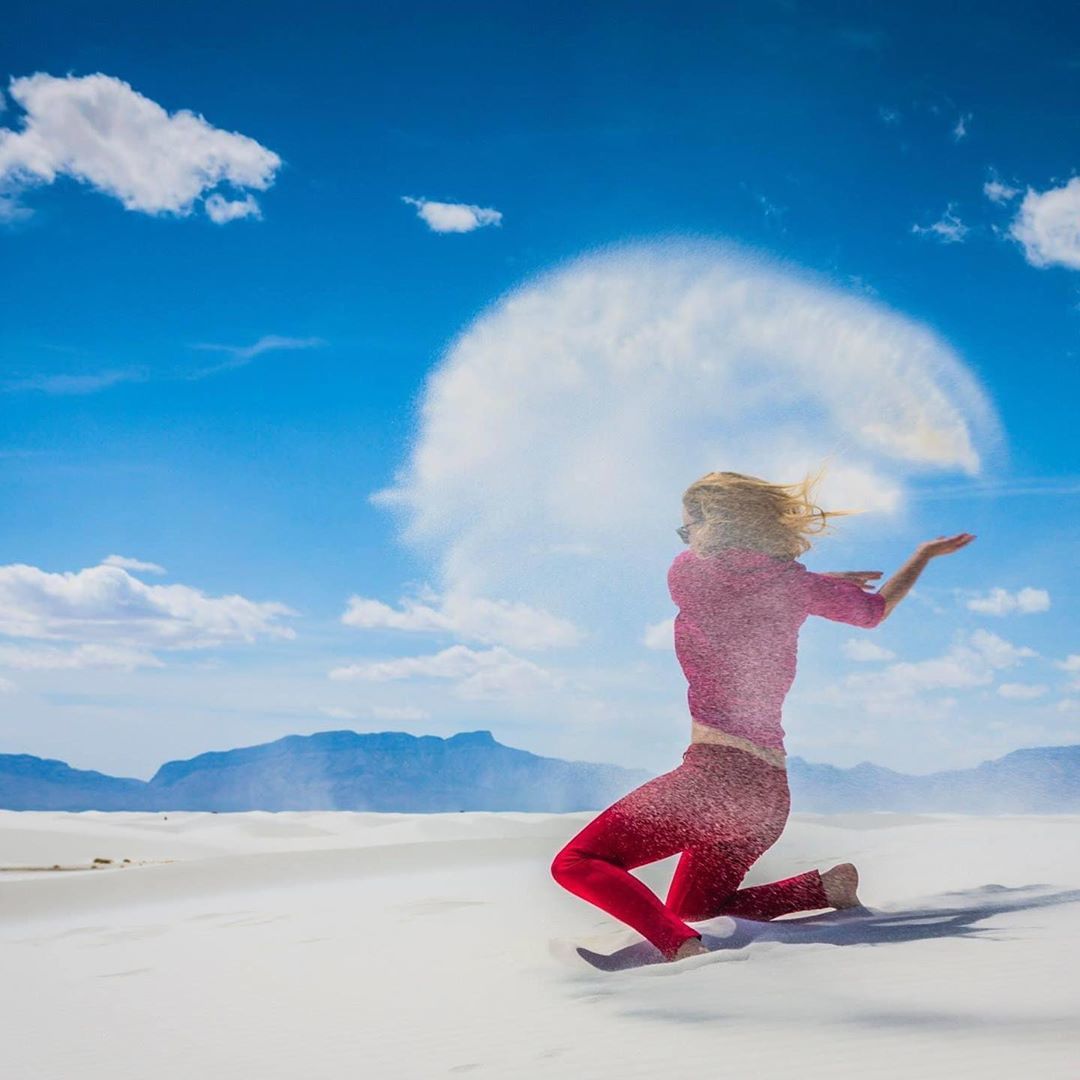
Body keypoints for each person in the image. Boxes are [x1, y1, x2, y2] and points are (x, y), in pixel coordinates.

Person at [550, 465, 975, 962]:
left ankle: (680, 948)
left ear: (715, 524)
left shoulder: (688, 573)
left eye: (688, 527)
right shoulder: (793, 586)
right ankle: (823, 889)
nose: (686, 538)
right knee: (692, 908)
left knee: (577, 862)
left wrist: (811, 581)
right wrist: (919, 556)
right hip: (768, 796)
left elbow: (739, 580)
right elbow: (872, 610)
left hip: (714, 781)